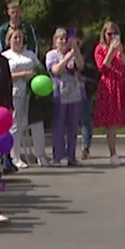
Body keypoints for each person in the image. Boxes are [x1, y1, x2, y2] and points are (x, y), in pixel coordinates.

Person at [92, 22, 125, 166]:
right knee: (112, 121)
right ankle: (113, 153)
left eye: (114, 33)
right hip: (109, 84)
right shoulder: (100, 49)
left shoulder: (122, 48)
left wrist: (120, 52)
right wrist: (111, 52)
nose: (112, 36)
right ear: (104, 35)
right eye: (109, 34)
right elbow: (102, 67)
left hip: (123, 84)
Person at [3, 27, 47, 166]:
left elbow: (40, 68)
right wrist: (22, 75)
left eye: (20, 37)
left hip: (32, 93)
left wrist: (34, 74)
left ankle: (41, 155)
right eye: (15, 37)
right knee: (16, 125)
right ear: (9, 40)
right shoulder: (5, 56)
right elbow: (4, 76)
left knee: (36, 123)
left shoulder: (30, 54)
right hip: (16, 93)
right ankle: (15, 157)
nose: (18, 40)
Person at [46, 28, 85, 169]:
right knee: (58, 126)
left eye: (65, 38)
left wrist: (75, 50)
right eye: (60, 39)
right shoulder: (51, 55)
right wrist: (68, 57)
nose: (63, 41)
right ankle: (57, 156)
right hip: (59, 94)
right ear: (55, 41)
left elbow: (80, 65)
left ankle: (72, 156)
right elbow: (56, 70)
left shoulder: (74, 53)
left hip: (74, 94)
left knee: (73, 127)